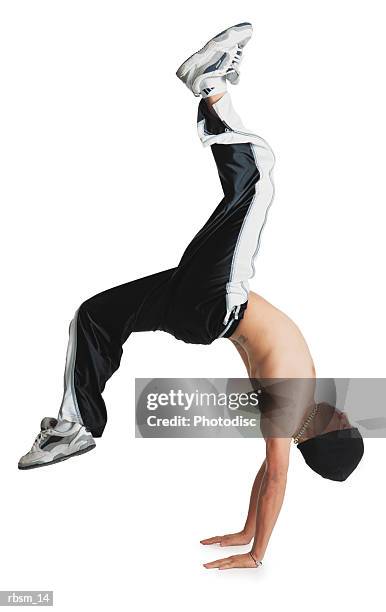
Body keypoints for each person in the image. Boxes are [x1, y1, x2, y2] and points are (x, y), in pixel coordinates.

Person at [18, 23, 364, 569]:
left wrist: (258, 554)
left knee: (257, 181)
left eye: (345, 424)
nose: (347, 413)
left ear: (332, 430)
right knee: (96, 315)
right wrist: (245, 531)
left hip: (221, 301)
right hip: (199, 313)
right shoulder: (289, 416)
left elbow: (276, 478)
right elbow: (267, 476)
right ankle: (75, 427)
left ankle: (209, 86)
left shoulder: (294, 404)